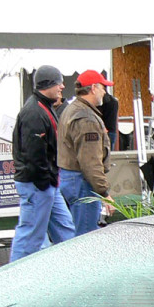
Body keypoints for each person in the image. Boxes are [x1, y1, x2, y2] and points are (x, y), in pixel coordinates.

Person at [10, 65, 75, 261]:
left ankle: (74, 266)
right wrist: (45, 182)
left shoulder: (43, 108)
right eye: (58, 82)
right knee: (31, 234)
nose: (62, 87)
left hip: (46, 184)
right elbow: (33, 154)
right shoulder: (34, 113)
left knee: (66, 229)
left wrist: (50, 181)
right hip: (38, 184)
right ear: (48, 84)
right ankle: (15, 274)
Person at [58, 69, 113, 237]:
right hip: (82, 182)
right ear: (94, 88)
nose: (105, 91)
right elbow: (90, 162)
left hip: (70, 177)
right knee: (86, 236)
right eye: (103, 87)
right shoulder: (87, 118)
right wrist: (104, 193)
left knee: (72, 232)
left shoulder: (71, 109)